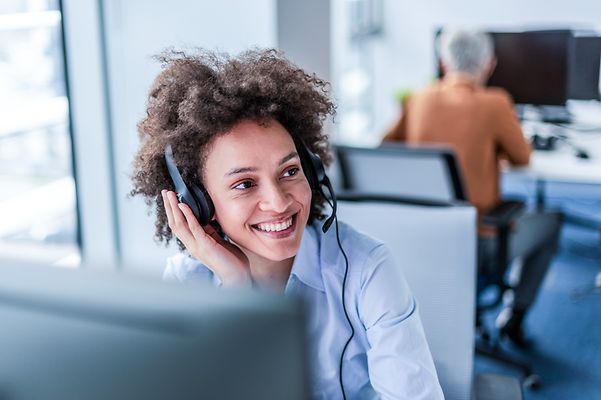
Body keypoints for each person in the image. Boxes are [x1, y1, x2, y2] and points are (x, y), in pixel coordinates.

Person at [131, 48, 444, 399]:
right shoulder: (187, 282)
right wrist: (237, 291)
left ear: (311, 171)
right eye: (245, 184)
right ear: (199, 203)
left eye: (290, 171)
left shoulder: (365, 268)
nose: (279, 202)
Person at [382, 29, 562, 347]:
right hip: (478, 243)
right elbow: (522, 157)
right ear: (489, 64)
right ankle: (514, 318)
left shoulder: (418, 98)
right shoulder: (495, 103)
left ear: (442, 63)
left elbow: (385, 148)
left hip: (419, 237)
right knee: (551, 223)